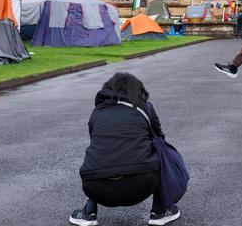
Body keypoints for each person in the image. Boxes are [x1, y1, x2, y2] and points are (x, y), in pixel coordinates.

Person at [69, 72, 181, 226]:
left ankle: (88, 213)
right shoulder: (145, 108)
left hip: (95, 188)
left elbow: (94, 141)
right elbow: (159, 137)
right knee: (162, 151)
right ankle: (159, 212)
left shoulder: (98, 111)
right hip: (141, 186)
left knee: (100, 153)